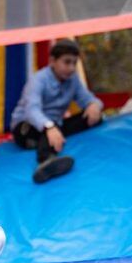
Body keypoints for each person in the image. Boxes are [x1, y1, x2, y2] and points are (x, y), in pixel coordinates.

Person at [10, 39, 103, 184]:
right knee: (43, 129)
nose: (71, 68)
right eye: (67, 62)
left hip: (56, 125)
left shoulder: (73, 80)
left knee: (94, 117)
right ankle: (46, 160)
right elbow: (31, 110)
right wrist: (49, 126)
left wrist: (93, 105)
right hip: (27, 127)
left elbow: (87, 98)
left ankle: (50, 136)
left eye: (74, 63)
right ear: (52, 61)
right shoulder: (38, 80)